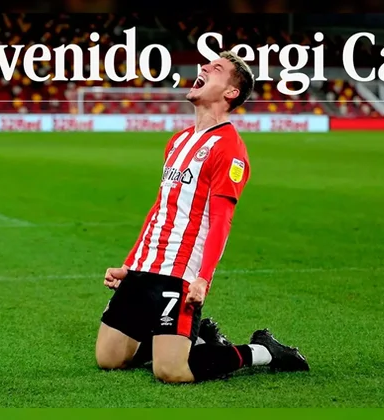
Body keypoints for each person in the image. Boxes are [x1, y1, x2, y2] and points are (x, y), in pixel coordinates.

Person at [95, 50, 309, 383]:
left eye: (216, 68)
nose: (204, 67)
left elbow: (221, 220)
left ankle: (263, 351)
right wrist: (130, 264)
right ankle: (194, 339)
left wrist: (203, 278)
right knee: (109, 359)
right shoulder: (178, 141)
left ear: (231, 92)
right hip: (145, 265)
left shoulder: (229, 148)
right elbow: (161, 206)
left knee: (171, 371)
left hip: (180, 271)